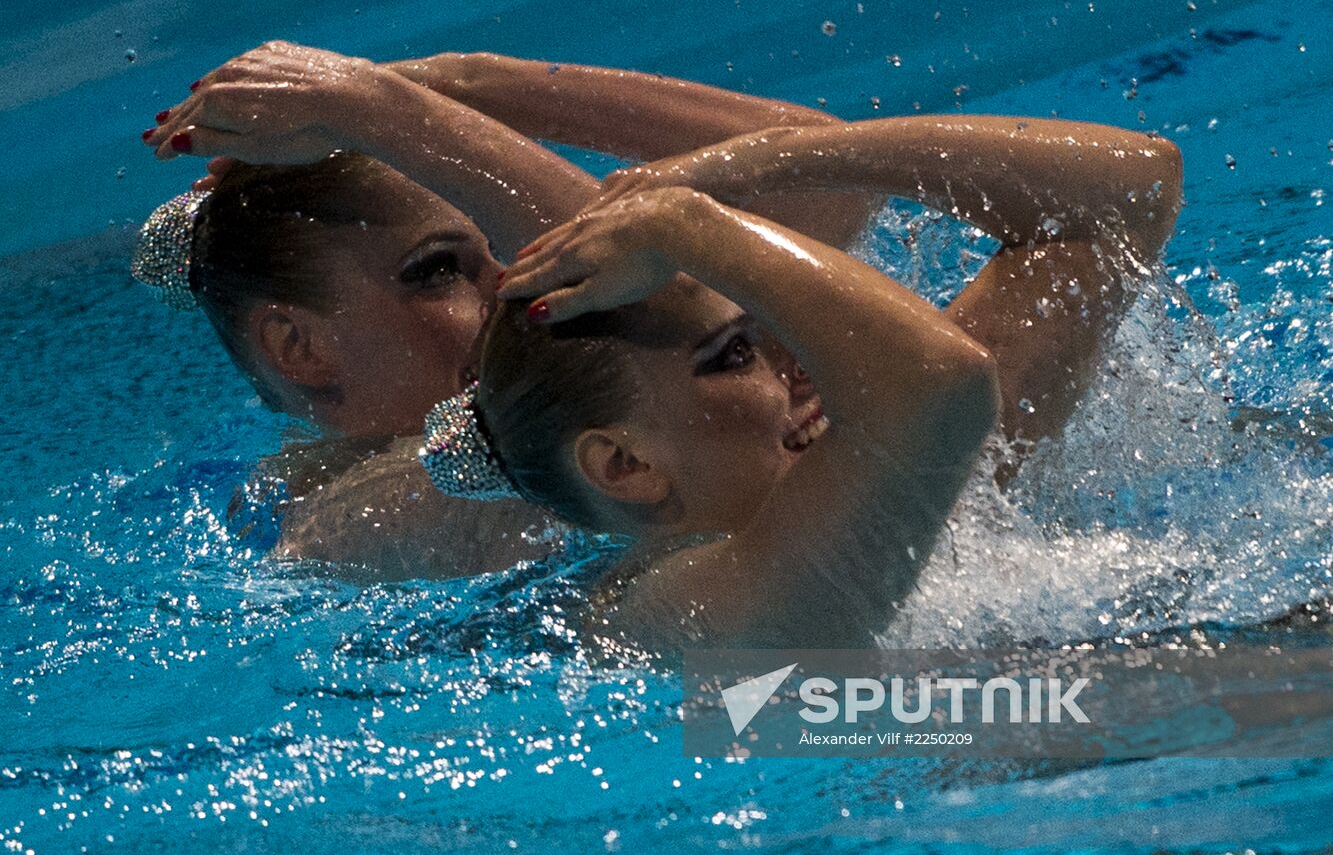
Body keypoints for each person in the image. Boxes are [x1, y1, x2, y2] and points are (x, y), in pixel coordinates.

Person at [423, 115, 1182, 650]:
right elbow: (939, 379)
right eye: (733, 355)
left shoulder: (900, 478)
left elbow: (1129, 191)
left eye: (767, 327)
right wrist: (687, 226)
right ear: (627, 465)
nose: (806, 361)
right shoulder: (675, 618)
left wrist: (754, 162)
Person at [136, 41, 870, 576]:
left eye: (507, 241)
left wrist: (472, 86)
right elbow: (673, 301)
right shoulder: (357, 511)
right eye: (437, 271)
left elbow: (837, 178)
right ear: (298, 346)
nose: (519, 276)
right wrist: (385, 113)